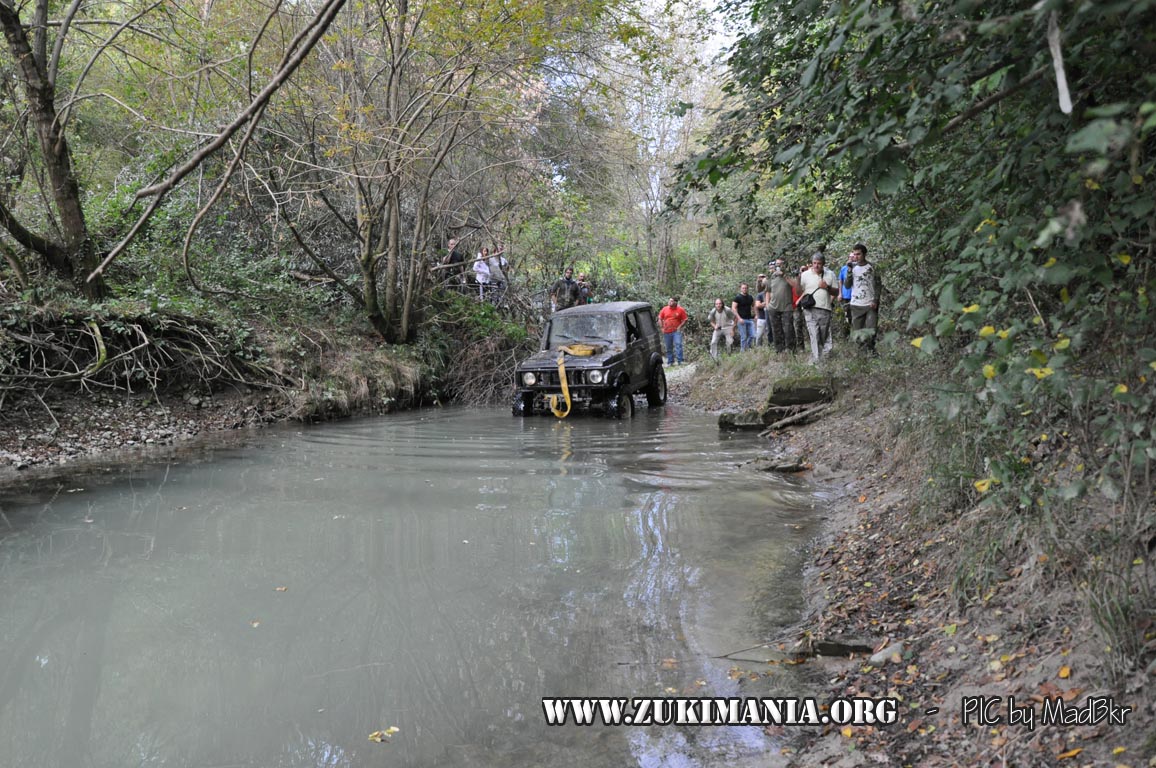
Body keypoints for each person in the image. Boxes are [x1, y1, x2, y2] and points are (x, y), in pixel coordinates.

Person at [797, 252, 839, 363]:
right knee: (813, 333)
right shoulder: (805, 275)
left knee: (822, 334)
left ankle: (821, 355)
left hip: (824, 308)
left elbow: (836, 291)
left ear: (823, 264)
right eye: (814, 263)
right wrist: (797, 280)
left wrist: (827, 287)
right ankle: (816, 360)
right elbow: (799, 291)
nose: (816, 266)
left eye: (819, 263)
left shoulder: (830, 274)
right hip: (809, 308)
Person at [843, 243, 882, 354]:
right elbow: (847, 285)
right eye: (854, 254)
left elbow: (878, 285)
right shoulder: (852, 268)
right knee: (858, 332)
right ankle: (862, 353)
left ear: (864, 254)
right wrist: (849, 271)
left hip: (870, 304)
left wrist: (876, 300)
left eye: (858, 254)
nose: (856, 257)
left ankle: (871, 351)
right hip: (856, 304)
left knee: (871, 330)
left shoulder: (872, 267)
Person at [765, 258, 798, 353]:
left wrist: (784, 275)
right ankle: (779, 350)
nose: (778, 266)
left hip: (786, 307)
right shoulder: (772, 276)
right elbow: (767, 290)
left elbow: (795, 285)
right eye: (777, 264)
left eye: (780, 264)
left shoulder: (789, 274)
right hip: (773, 307)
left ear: (784, 265)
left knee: (788, 330)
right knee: (776, 330)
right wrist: (767, 305)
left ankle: (791, 350)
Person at [657, 296, 688, 366]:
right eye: (669, 301)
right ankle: (670, 362)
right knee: (668, 347)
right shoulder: (664, 309)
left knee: (678, 344)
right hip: (667, 331)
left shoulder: (680, 310)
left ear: (675, 302)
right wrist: (662, 328)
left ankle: (680, 360)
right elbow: (660, 318)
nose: (669, 302)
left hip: (676, 331)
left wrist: (680, 326)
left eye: (671, 301)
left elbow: (685, 319)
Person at [731, 283, 756, 351]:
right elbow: (733, 308)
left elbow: (754, 306)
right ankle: (743, 351)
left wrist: (756, 315)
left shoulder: (750, 297)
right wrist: (739, 318)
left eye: (746, 288)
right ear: (741, 288)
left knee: (753, 335)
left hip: (750, 319)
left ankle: (747, 347)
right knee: (744, 337)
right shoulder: (737, 297)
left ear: (747, 288)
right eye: (743, 288)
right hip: (741, 320)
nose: (744, 289)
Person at [837, 250, 854, 339]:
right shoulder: (843, 268)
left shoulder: (857, 268)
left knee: (854, 316)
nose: (851, 259)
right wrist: (840, 293)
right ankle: (846, 337)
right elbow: (840, 281)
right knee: (846, 316)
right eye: (850, 257)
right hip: (845, 296)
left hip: (855, 296)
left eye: (853, 257)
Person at [754, 273, 768, 347]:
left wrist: (764, 303)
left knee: (769, 334)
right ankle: (758, 349)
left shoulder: (770, 291)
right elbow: (757, 305)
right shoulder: (760, 294)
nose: (762, 278)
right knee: (759, 335)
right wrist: (765, 303)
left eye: (763, 277)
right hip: (761, 317)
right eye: (760, 277)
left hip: (769, 316)